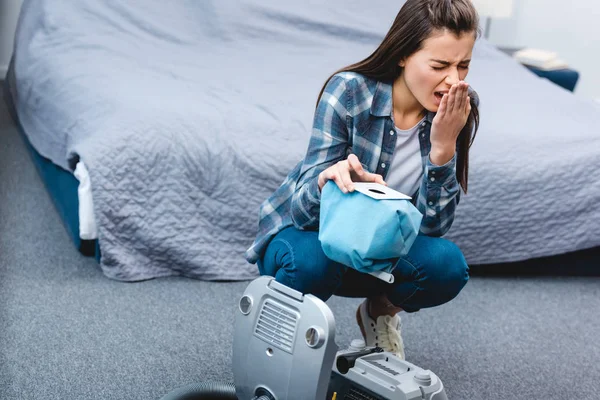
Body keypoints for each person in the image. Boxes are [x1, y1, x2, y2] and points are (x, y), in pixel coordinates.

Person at [245, 0, 481, 360]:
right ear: (403, 54)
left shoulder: (456, 108)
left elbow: (433, 228)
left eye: (463, 65)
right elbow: (302, 213)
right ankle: (277, 340)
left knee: (446, 267)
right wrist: (327, 182)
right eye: (440, 65)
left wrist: (443, 149)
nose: (454, 80)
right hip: (314, 237)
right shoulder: (350, 91)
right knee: (309, 264)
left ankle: (378, 314)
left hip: (379, 246)